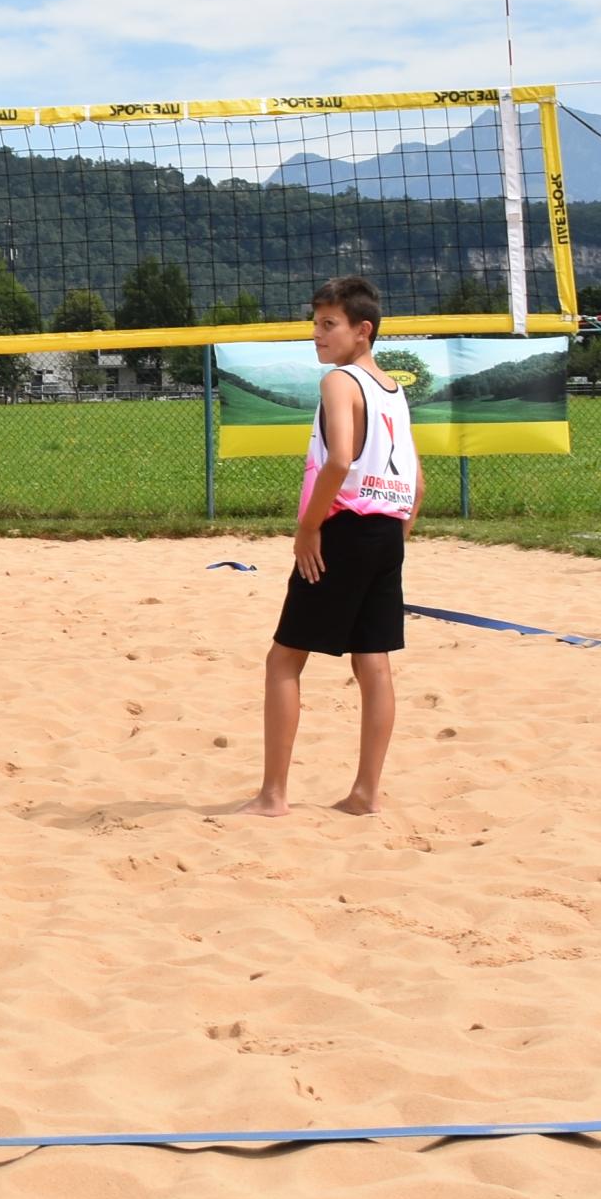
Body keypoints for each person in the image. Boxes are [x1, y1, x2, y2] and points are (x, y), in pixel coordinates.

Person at [247, 275, 416, 817]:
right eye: (315, 324)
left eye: (328, 324)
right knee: (373, 662)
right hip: (386, 532)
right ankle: (366, 793)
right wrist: (392, 541)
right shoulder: (394, 389)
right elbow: (418, 482)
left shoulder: (340, 381)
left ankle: (273, 796)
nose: (317, 334)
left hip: (342, 530)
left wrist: (309, 527)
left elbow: (340, 459)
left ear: (362, 330)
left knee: (283, 660)